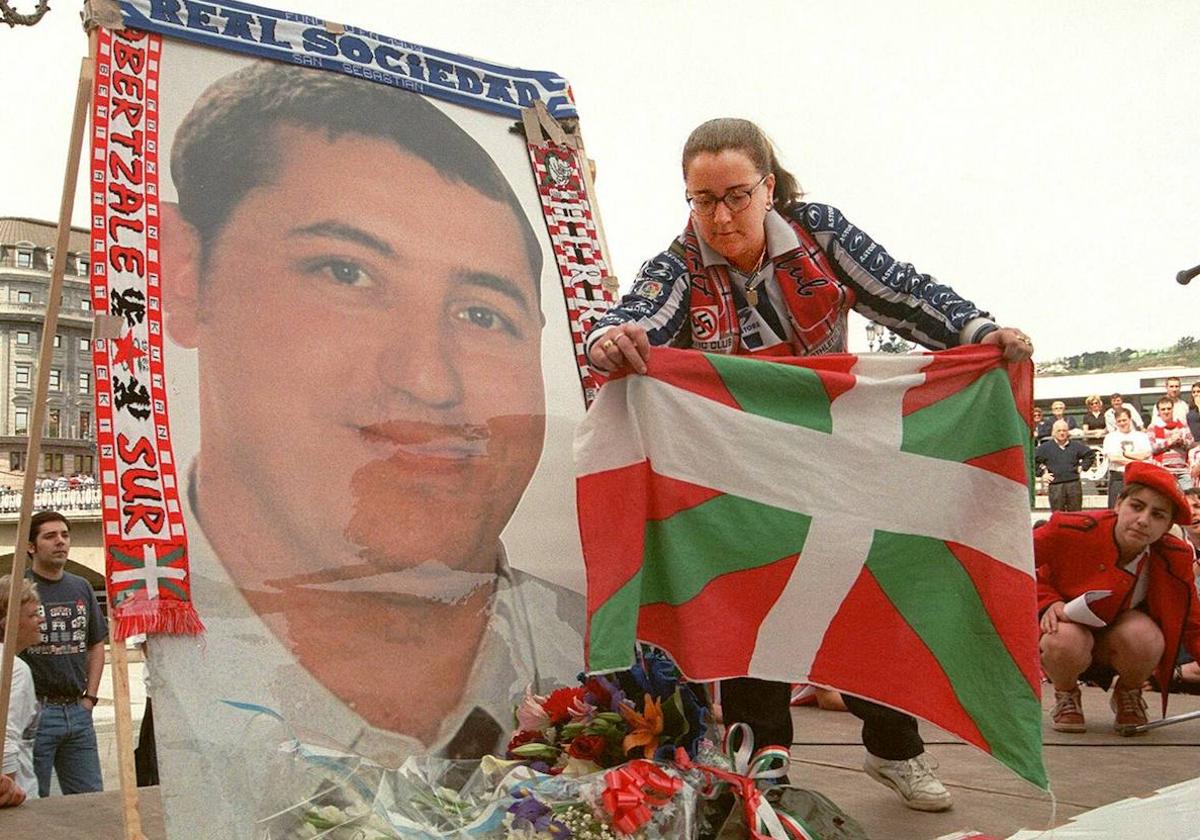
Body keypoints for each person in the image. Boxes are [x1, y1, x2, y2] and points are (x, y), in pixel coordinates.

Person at [155, 61, 583, 830]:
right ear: (183, 276)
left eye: (484, 314)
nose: (428, 378)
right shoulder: (158, 677)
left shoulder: (606, 662)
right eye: (345, 272)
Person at [586, 117, 1033, 812]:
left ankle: (895, 752)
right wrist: (610, 342)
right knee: (749, 611)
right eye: (702, 200)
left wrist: (980, 333)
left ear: (769, 186)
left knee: (864, 597)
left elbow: (905, 293)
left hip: (839, 463)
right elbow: (631, 317)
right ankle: (764, 770)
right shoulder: (676, 264)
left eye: (736, 194)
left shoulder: (821, 234)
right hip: (744, 477)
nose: (721, 216)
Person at [1036, 462, 1200, 735]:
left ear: (1168, 526)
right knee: (1062, 639)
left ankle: (1129, 691)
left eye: (1157, 515)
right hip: (1070, 631)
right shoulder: (1071, 528)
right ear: (1118, 503)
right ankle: (1066, 694)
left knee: (1145, 637)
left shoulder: (1176, 556)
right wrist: (1048, 600)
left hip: (1124, 636)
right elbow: (1013, 563)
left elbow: (1193, 622)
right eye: (1137, 506)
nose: (1144, 520)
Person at [18, 511, 106, 796]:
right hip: (35, 714)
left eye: (65, 535)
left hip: (78, 712)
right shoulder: (19, 590)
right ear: (31, 546)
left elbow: (96, 643)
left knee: (90, 799)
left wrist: (90, 698)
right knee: (33, 802)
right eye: (50, 536)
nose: (60, 542)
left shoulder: (81, 586)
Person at [1, 574, 42, 805]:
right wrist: (8, 789)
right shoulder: (15, 669)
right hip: (16, 796)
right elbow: (5, 734)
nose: (40, 620)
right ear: (9, 624)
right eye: (33, 615)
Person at [1035, 420, 1097, 511]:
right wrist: (1042, 474)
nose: (1062, 433)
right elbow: (1032, 461)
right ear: (1053, 432)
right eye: (1059, 431)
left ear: (1068, 432)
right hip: (1056, 486)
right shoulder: (1045, 448)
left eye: (1064, 430)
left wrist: (1083, 466)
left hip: (1073, 485)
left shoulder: (1076, 446)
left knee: (1075, 515)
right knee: (1058, 516)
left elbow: (1090, 455)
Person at [1102, 408, 1152, 507]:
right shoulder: (1110, 437)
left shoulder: (1141, 436)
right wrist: (1137, 461)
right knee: (1116, 509)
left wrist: (1125, 454)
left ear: (1130, 419)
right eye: (1119, 421)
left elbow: (1146, 454)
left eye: (1124, 420)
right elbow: (1114, 458)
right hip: (1118, 478)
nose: (1122, 423)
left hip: (1137, 478)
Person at [1147, 396, 1194, 490]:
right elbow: (1151, 448)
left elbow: (1190, 442)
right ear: (1159, 412)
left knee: (1189, 499)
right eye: (1163, 409)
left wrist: (1182, 441)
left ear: (1173, 409)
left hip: (1182, 470)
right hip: (1163, 470)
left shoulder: (1182, 425)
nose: (1166, 411)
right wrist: (1169, 441)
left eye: (1169, 408)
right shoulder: (1153, 427)